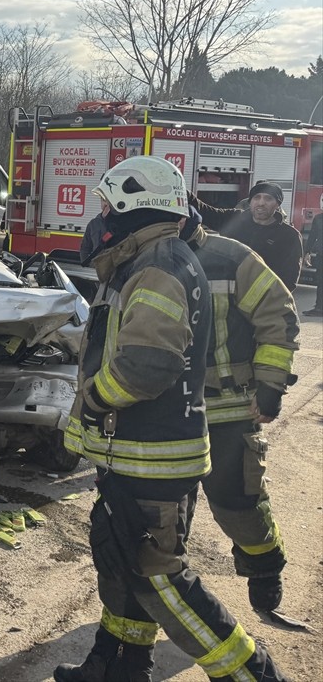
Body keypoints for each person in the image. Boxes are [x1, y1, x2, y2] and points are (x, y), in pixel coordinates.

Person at [59, 156, 285, 682]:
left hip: (151, 453)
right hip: (141, 450)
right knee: (124, 560)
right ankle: (119, 665)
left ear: (133, 206)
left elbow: (146, 365)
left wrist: (92, 401)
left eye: (108, 205)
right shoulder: (158, 256)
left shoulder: (157, 265)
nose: (100, 216)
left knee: (159, 577)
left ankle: (254, 674)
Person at [180, 210, 298, 614]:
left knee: (237, 500)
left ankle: (264, 567)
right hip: (164, 410)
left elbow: (277, 318)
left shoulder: (231, 258)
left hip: (228, 407)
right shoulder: (140, 258)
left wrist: (271, 385)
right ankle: (168, 583)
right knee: (160, 509)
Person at [190, 181, 302, 292]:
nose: (261, 203)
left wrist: (272, 298)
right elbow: (205, 211)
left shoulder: (289, 235)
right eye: (257, 197)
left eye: (268, 198)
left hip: (262, 298)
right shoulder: (234, 220)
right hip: (228, 295)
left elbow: (290, 278)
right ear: (250, 202)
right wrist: (184, 193)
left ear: (277, 204)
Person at [305, 196, 322, 317]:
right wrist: (307, 252)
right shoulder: (318, 218)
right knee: (320, 281)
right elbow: (312, 236)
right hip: (321, 255)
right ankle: (319, 308)